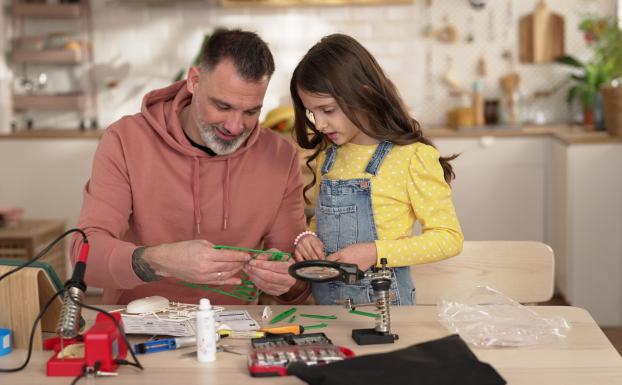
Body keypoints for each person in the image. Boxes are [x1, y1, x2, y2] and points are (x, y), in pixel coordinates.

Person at [71, 29, 309, 305]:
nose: (235, 126)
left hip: (235, 335)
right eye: (222, 106)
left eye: (251, 112)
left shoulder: (280, 156)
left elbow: (297, 283)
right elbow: (85, 254)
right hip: (137, 331)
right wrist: (159, 260)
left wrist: (288, 282)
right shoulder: (125, 140)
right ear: (194, 81)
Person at [290, 34, 464, 306]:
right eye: (313, 113)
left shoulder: (412, 157)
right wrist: (308, 237)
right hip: (327, 307)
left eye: (328, 110)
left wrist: (375, 252)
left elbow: (449, 239)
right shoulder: (329, 156)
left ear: (363, 93)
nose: (320, 124)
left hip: (386, 307)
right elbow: (325, 223)